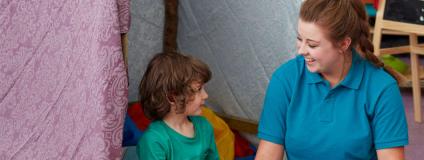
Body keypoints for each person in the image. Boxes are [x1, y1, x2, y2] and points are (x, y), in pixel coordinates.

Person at [255, 0, 408, 159]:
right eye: (300, 39)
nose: (301, 51)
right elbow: (268, 153)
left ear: (343, 44)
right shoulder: (285, 79)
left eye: (312, 45)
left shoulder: (382, 88)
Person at [137, 52, 219, 160]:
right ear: (172, 97)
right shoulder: (154, 140)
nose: (205, 95)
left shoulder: (204, 126)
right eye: (198, 89)